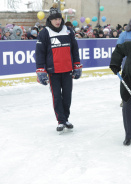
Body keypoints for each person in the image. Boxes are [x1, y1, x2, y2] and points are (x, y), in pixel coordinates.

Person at [35, 3, 82, 132]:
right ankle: (60, 121)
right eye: (55, 19)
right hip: (53, 71)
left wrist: (77, 65)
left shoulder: (68, 31)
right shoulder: (44, 33)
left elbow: (75, 50)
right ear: (50, 19)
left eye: (59, 18)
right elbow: (40, 53)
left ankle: (66, 119)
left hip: (67, 70)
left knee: (67, 96)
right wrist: (40, 70)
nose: (58, 21)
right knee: (56, 96)